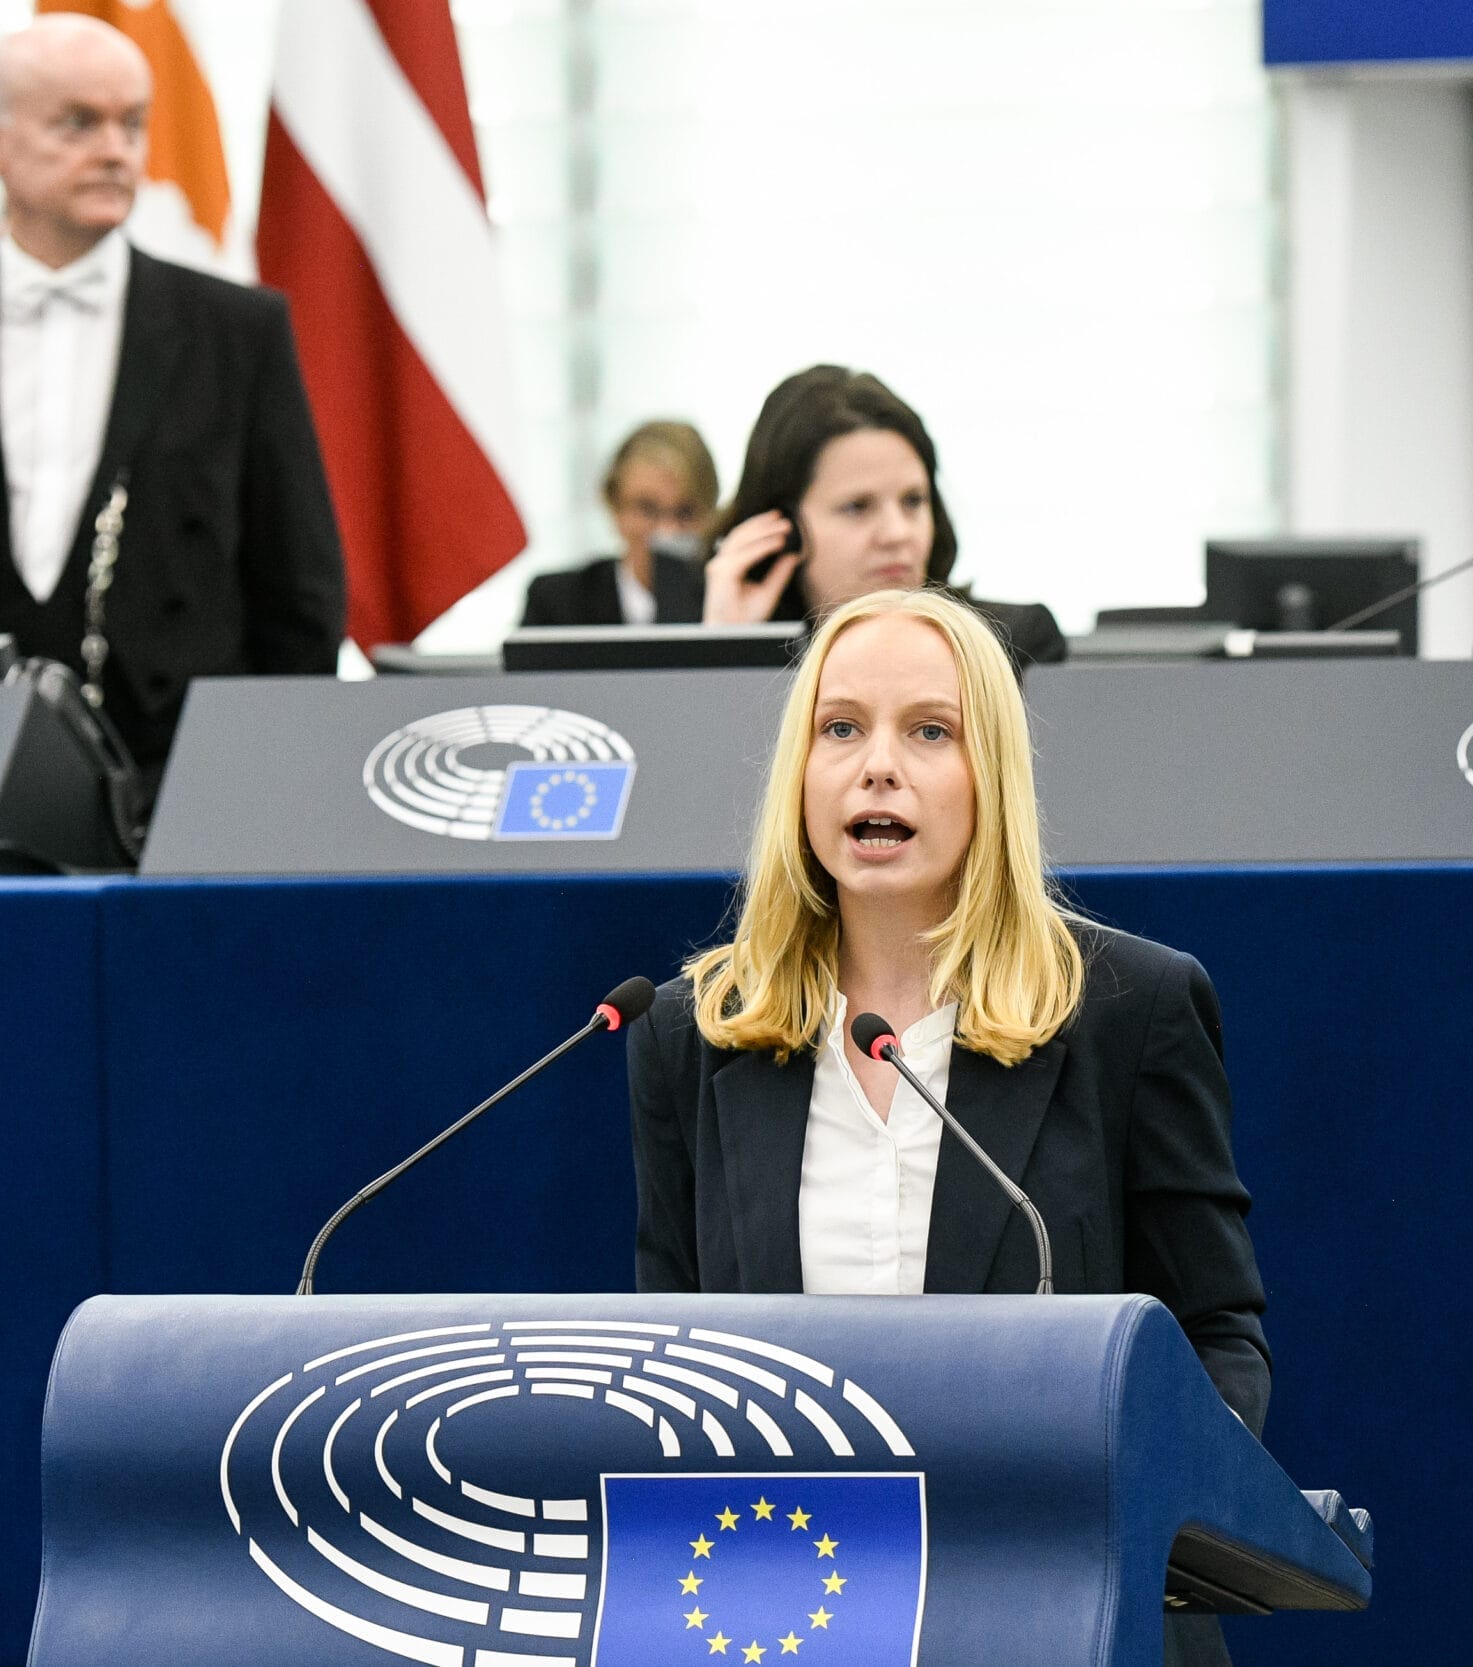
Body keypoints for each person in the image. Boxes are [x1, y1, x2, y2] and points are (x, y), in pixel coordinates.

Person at [624, 588, 1260, 1661]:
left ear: (990, 778)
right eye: (840, 728)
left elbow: (1217, 1343)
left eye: (929, 730)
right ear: (799, 776)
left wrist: (1137, 1525)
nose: (877, 765)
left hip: (1057, 1606)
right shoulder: (697, 1034)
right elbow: (675, 1360)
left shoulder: (1127, 1011)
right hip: (792, 1612)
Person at [0, 13, 343, 768]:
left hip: (173, 786)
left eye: (132, 125)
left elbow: (299, 596)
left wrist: (259, 787)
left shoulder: (238, 331)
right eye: (77, 124)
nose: (115, 151)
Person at [696, 365, 1068, 667]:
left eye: (913, 501)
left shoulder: (1011, 646)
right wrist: (729, 649)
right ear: (784, 529)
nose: (897, 533)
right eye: (857, 506)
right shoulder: (762, 660)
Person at [519, 419, 718, 627]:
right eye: (647, 509)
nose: (667, 532)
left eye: (685, 513)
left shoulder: (727, 605)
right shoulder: (557, 602)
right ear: (615, 508)